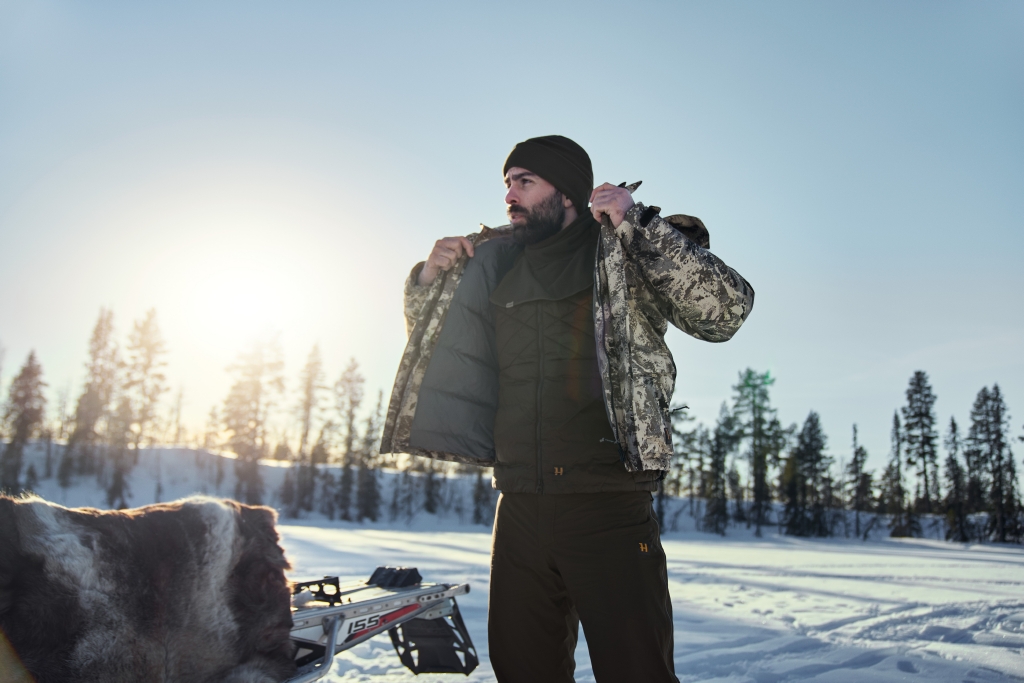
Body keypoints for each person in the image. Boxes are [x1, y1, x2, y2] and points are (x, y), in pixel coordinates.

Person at [381, 135, 754, 682]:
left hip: (607, 502)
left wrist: (640, 224)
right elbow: (443, 350)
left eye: (525, 181)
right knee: (523, 671)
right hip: (521, 505)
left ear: (569, 192)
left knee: (636, 672)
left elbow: (724, 311)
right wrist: (428, 281)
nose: (510, 193)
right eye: (507, 182)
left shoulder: (623, 246)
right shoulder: (494, 260)